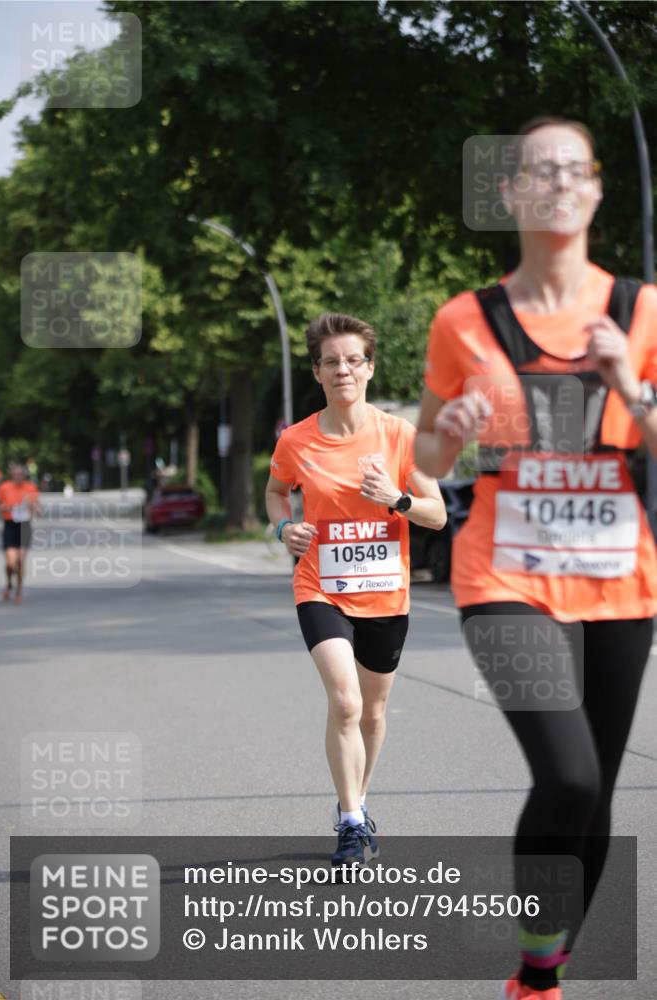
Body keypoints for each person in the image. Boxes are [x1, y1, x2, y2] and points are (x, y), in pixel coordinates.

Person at [415, 118, 657, 1000]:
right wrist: (444, 435)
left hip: (620, 581)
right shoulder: (464, 320)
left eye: (573, 169)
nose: (557, 182)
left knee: (591, 802)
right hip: (504, 576)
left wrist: (630, 385)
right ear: (510, 193)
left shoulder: (642, 311)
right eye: (536, 170)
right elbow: (427, 464)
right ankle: (540, 974)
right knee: (568, 773)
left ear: (595, 190)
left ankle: (538, 974)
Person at [266, 312, 446, 866]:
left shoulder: (400, 436)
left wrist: (398, 498)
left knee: (371, 712)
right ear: (316, 373)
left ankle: (358, 801)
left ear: (368, 368)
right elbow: (276, 492)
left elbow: (437, 515)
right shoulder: (296, 440)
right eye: (330, 362)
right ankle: (349, 822)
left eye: (352, 360)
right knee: (344, 701)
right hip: (321, 585)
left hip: (385, 593)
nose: (341, 369)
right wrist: (282, 527)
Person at [0, 463, 42, 604]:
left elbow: (38, 509)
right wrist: (7, 507)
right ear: (11, 475)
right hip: (9, 526)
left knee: (20, 561)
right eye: (15, 475)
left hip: (24, 527)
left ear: (24, 476)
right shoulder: (4, 487)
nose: (18, 477)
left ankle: (18, 590)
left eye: (21, 475)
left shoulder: (30, 488)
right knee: (10, 563)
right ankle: (9, 583)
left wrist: (32, 506)